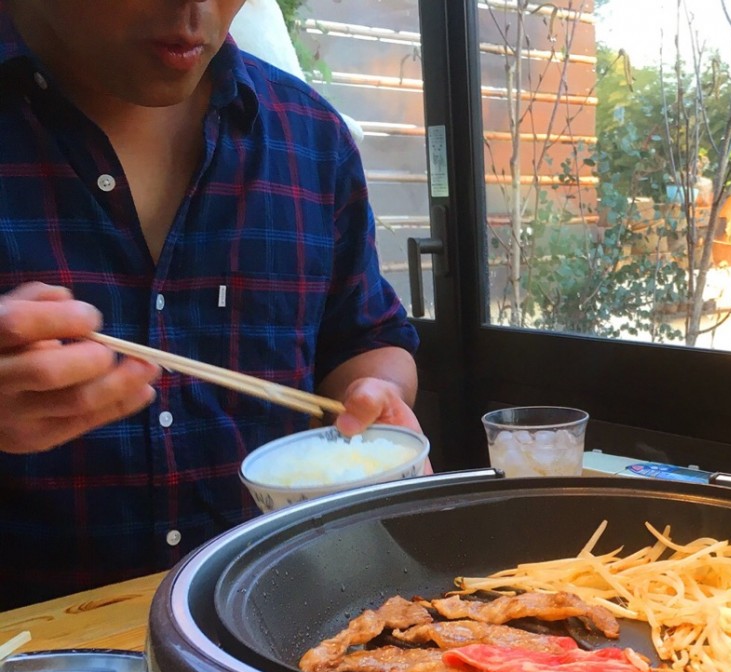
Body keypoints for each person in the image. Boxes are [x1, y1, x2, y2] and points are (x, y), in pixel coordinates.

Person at [0, 0, 423, 610]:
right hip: (31, 671)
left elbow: (365, 337)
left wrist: (376, 395)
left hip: (281, 637)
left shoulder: (310, 136)